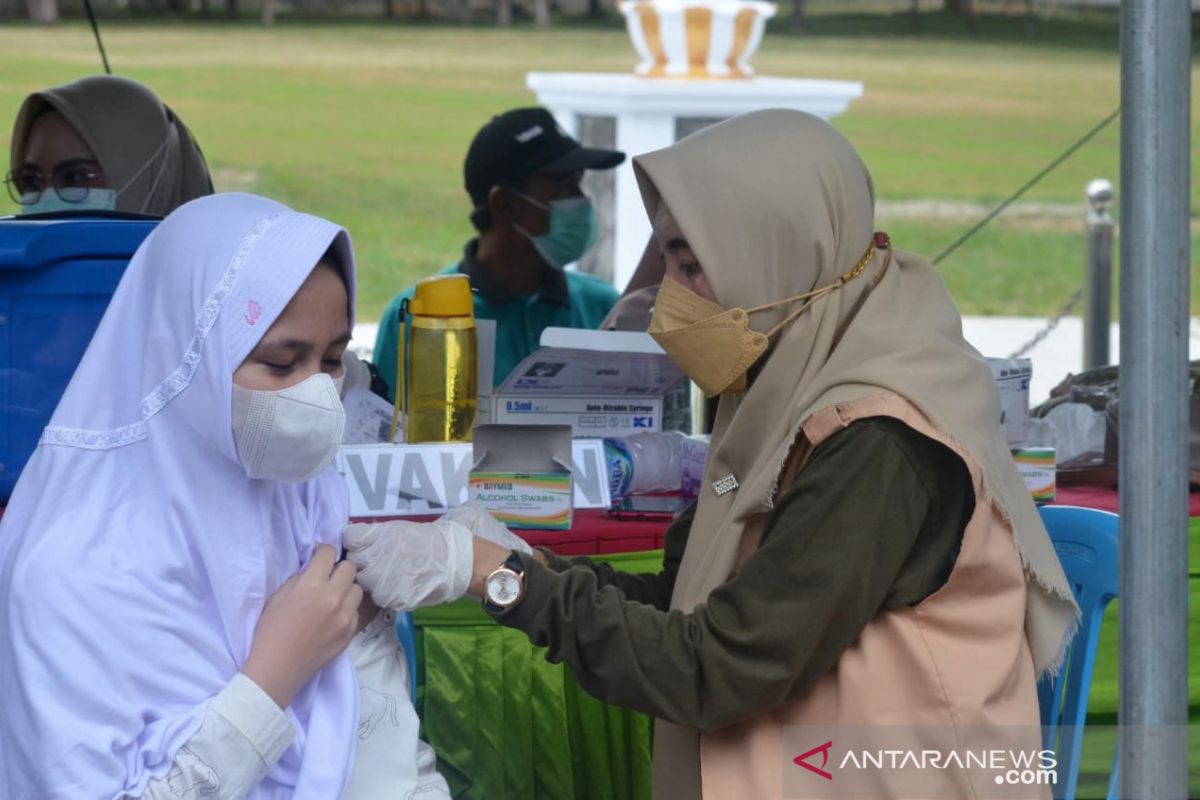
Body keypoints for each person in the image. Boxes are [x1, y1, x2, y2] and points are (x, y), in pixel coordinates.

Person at [347, 110, 1080, 799]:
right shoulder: (788, 390)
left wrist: (497, 578)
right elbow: (687, 602)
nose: (669, 298)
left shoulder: (880, 441)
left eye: (691, 264)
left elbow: (718, 666)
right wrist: (521, 561)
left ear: (780, 256)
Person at [0, 193, 450, 799]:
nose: (317, 394)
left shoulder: (303, 497)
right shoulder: (71, 576)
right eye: (282, 362)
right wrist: (270, 682)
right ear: (185, 360)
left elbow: (384, 741)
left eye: (334, 360)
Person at [373, 107, 623, 397]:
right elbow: (384, 434)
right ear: (503, 201)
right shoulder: (417, 317)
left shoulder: (601, 306)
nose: (581, 201)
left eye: (578, 183)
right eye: (562, 186)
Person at [6, 74, 213, 216]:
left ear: (147, 175)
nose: (46, 199)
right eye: (31, 181)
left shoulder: (222, 277)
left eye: (74, 177)